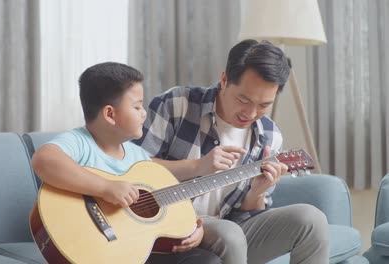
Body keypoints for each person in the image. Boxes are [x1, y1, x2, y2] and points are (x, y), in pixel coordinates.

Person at [134, 40, 329, 264]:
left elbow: (245, 216)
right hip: (169, 222)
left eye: (264, 105)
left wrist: (257, 192)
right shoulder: (177, 105)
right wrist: (198, 166)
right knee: (230, 233)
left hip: (229, 230)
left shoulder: (269, 135)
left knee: (311, 219)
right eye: (243, 99)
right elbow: (133, 169)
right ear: (224, 80)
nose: (251, 113)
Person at [31, 62, 221, 264]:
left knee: (207, 260)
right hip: (96, 248)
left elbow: (163, 191)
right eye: (137, 106)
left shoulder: (137, 155)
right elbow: (44, 160)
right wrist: (105, 187)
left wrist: (193, 228)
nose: (144, 113)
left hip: (132, 249)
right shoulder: (80, 141)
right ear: (110, 115)